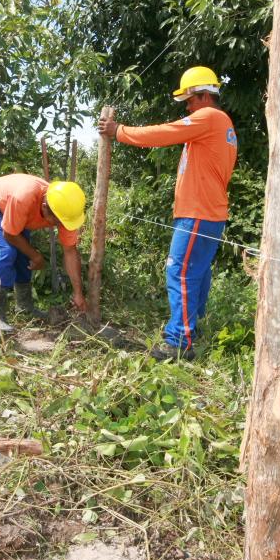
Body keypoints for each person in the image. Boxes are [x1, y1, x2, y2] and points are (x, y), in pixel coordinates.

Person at [98, 66, 237, 360]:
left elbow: (165, 132)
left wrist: (119, 131)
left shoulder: (209, 117)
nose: (187, 107)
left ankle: (180, 342)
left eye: (189, 100)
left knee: (179, 271)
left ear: (203, 95)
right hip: (208, 213)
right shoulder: (221, 125)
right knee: (196, 273)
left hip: (198, 212)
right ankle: (191, 330)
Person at [0, 173, 88, 331]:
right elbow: (9, 234)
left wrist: (78, 293)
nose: (62, 226)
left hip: (15, 210)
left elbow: (70, 251)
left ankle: (24, 306)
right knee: (7, 251)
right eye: (58, 222)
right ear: (45, 207)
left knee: (23, 251)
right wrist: (36, 256)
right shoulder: (24, 197)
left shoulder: (66, 211)